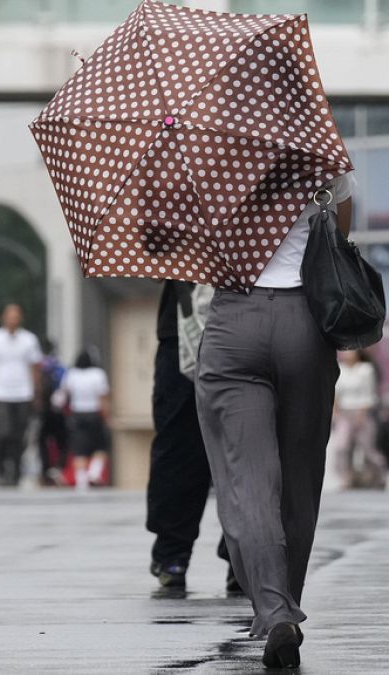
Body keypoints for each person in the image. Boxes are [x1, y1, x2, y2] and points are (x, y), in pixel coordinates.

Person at [196, 172, 357, 669]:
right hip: (305, 323)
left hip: (234, 322)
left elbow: (182, 244)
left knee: (248, 483)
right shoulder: (319, 150)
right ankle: (286, 598)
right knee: (300, 478)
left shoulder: (206, 156)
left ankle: (275, 608)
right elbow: (340, 233)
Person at [145, 281, 236, 592]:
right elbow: (151, 261)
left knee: (245, 444)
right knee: (179, 446)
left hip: (241, 321)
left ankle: (244, 553)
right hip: (181, 327)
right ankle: (173, 551)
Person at [0, 303, 43, 486]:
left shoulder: (30, 340)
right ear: (3, 317)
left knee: (19, 434)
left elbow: (35, 368)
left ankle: (16, 470)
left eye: (16, 315)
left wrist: (36, 393)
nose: (13, 319)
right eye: (10, 315)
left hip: (22, 394)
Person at [328, 349, 385, 490]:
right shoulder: (341, 369)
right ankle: (346, 477)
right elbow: (336, 392)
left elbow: (368, 393)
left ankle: (377, 474)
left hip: (362, 411)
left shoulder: (365, 369)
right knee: (341, 446)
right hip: (344, 413)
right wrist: (335, 412)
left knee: (367, 449)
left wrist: (362, 414)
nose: (347, 355)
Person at [54, 348, 110, 491]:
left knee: (79, 449)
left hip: (77, 414)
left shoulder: (71, 374)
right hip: (94, 413)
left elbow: (63, 395)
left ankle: (81, 481)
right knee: (100, 446)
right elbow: (102, 397)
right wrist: (106, 415)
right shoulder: (98, 374)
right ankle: (94, 473)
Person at [35, 337, 69, 486]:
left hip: (42, 410)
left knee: (42, 440)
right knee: (61, 440)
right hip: (57, 410)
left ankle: (45, 470)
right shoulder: (59, 366)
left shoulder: (39, 366)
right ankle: (58, 467)